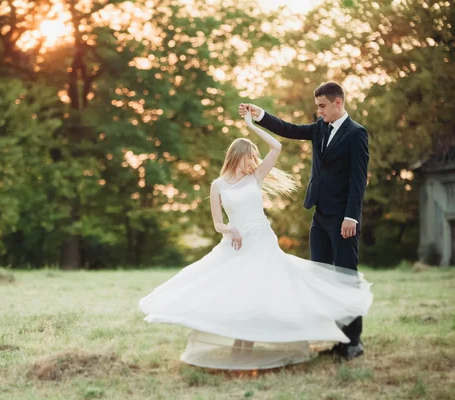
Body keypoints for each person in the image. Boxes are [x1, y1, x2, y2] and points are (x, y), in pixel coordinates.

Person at [138, 111, 373, 370]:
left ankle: (247, 351)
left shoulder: (255, 177)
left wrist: (252, 125)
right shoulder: (217, 185)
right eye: (250, 156)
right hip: (237, 245)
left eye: (254, 157)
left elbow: (277, 145)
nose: (254, 160)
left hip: (262, 243)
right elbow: (217, 223)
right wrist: (230, 229)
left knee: (259, 293)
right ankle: (238, 349)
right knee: (235, 293)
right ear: (237, 156)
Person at [239, 81, 370, 360]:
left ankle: (353, 342)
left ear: (338, 102)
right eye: (317, 106)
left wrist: (351, 217)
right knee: (322, 277)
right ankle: (337, 339)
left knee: (346, 277)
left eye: (323, 106)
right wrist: (261, 116)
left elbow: (359, 180)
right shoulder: (320, 128)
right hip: (319, 215)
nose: (319, 111)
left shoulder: (357, 134)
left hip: (342, 218)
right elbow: (290, 130)